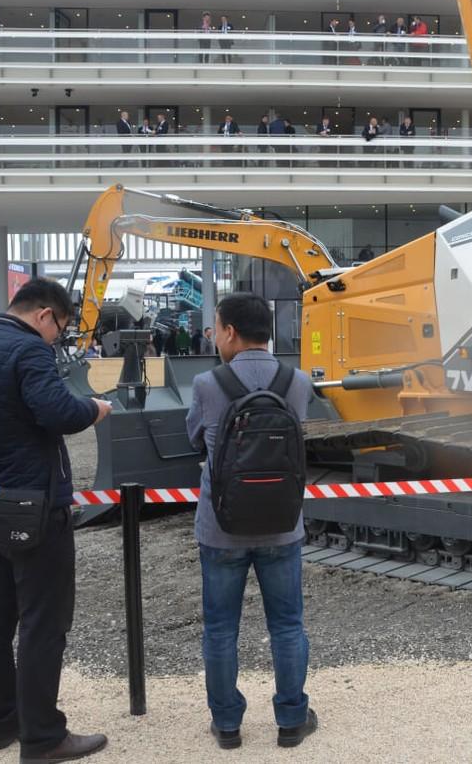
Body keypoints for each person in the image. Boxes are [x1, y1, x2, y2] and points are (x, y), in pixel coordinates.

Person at [0, 278, 113, 762]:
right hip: (35, 507)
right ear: (45, 315)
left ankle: (0, 725)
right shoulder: (29, 351)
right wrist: (96, 408)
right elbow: (57, 411)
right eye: (59, 328)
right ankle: (44, 737)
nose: (56, 339)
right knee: (44, 621)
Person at [185, 293, 317, 751]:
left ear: (230, 332)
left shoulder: (207, 382)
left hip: (221, 526)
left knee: (221, 627)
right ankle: (291, 719)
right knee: (287, 623)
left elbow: (195, 439)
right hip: (283, 523)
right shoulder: (296, 381)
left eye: (217, 327)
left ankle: (227, 725)